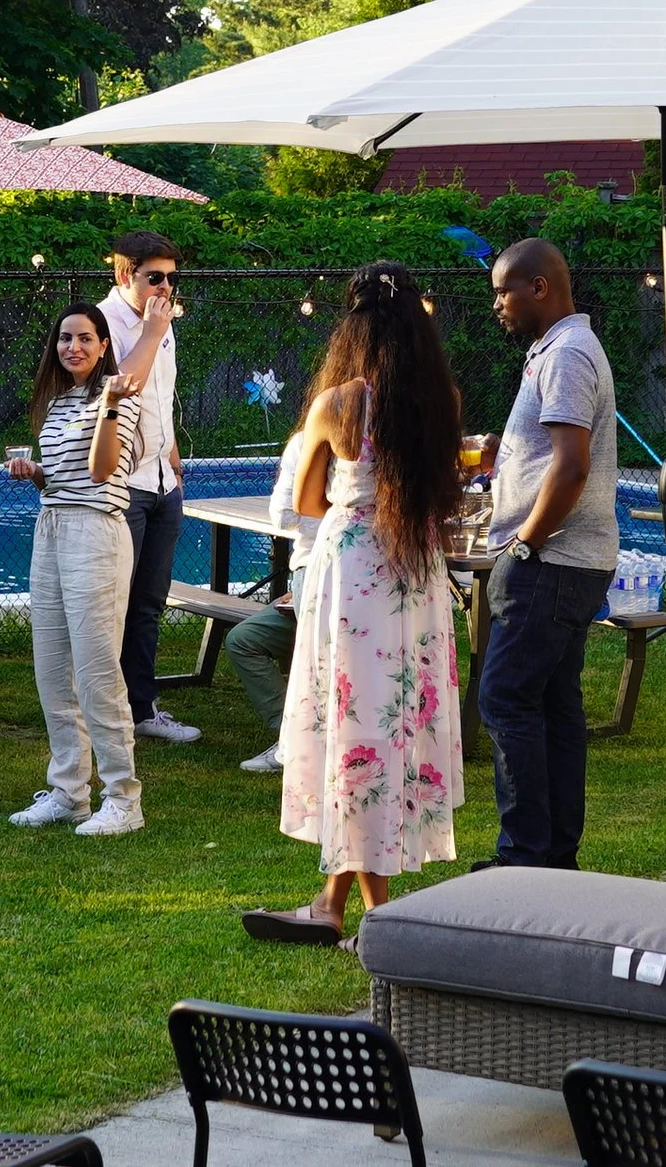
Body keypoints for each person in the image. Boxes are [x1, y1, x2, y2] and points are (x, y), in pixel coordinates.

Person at [244, 262, 464, 945]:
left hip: (352, 574)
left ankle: (376, 918)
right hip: (415, 573)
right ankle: (331, 903)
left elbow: (307, 502)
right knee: (391, 726)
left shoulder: (338, 404)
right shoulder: (442, 403)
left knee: (356, 726)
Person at [474, 237, 619, 871]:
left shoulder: (566, 354)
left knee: (505, 696)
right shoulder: (559, 350)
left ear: (539, 288)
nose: (496, 304)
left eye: (503, 291)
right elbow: (552, 454)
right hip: (569, 563)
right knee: (555, 705)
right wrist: (502, 453)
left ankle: (524, 858)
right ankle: (555, 858)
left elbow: (572, 467)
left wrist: (525, 543)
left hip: (552, 563)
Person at [4, 298, 166, 836]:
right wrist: (35, 472)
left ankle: (122, 798)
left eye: (84, 338)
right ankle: (68, 792)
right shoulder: (58, 402)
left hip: (96, 533)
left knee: (97, 672)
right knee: (53, 670)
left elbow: (101, 471)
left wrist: (111, 406)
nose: (72, 347)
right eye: (65, 338)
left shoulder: (120, 398)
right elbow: (62, 477)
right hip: (51, 527)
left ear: (103, 347)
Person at [100, 230, 198, 744]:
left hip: (161, 480)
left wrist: (172, 453)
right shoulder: (101, 324)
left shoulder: (162, 323)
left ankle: (142, 708)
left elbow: (161, 396)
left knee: (149, 602)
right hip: (122, 482)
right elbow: (120, 389)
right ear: (125, 274)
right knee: (114, 601)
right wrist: (153, 331)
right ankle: (105, 707)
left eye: (171, 279)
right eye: (154, 277)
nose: (165, 288)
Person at [227, 432, 319, 775]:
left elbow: (283, 516)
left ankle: (308, 743)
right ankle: (293, 737)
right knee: (243, 639)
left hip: (330, 583)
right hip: (315, 580)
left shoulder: (309, 443)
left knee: (325, 664)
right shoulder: (308, 442)